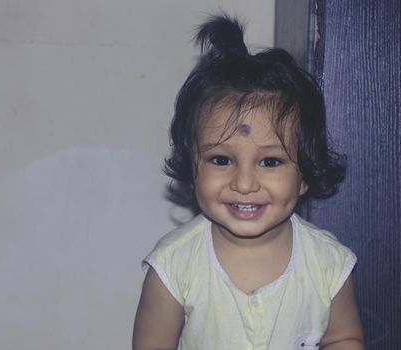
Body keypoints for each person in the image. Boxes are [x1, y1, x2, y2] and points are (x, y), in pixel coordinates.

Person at [133, 14, 364, 350]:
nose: (243, 183)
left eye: (270, 161)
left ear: (304, 175)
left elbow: (344, 338)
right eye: (221, 160)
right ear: (193, 164)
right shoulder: (174, 266)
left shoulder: (328, 263)